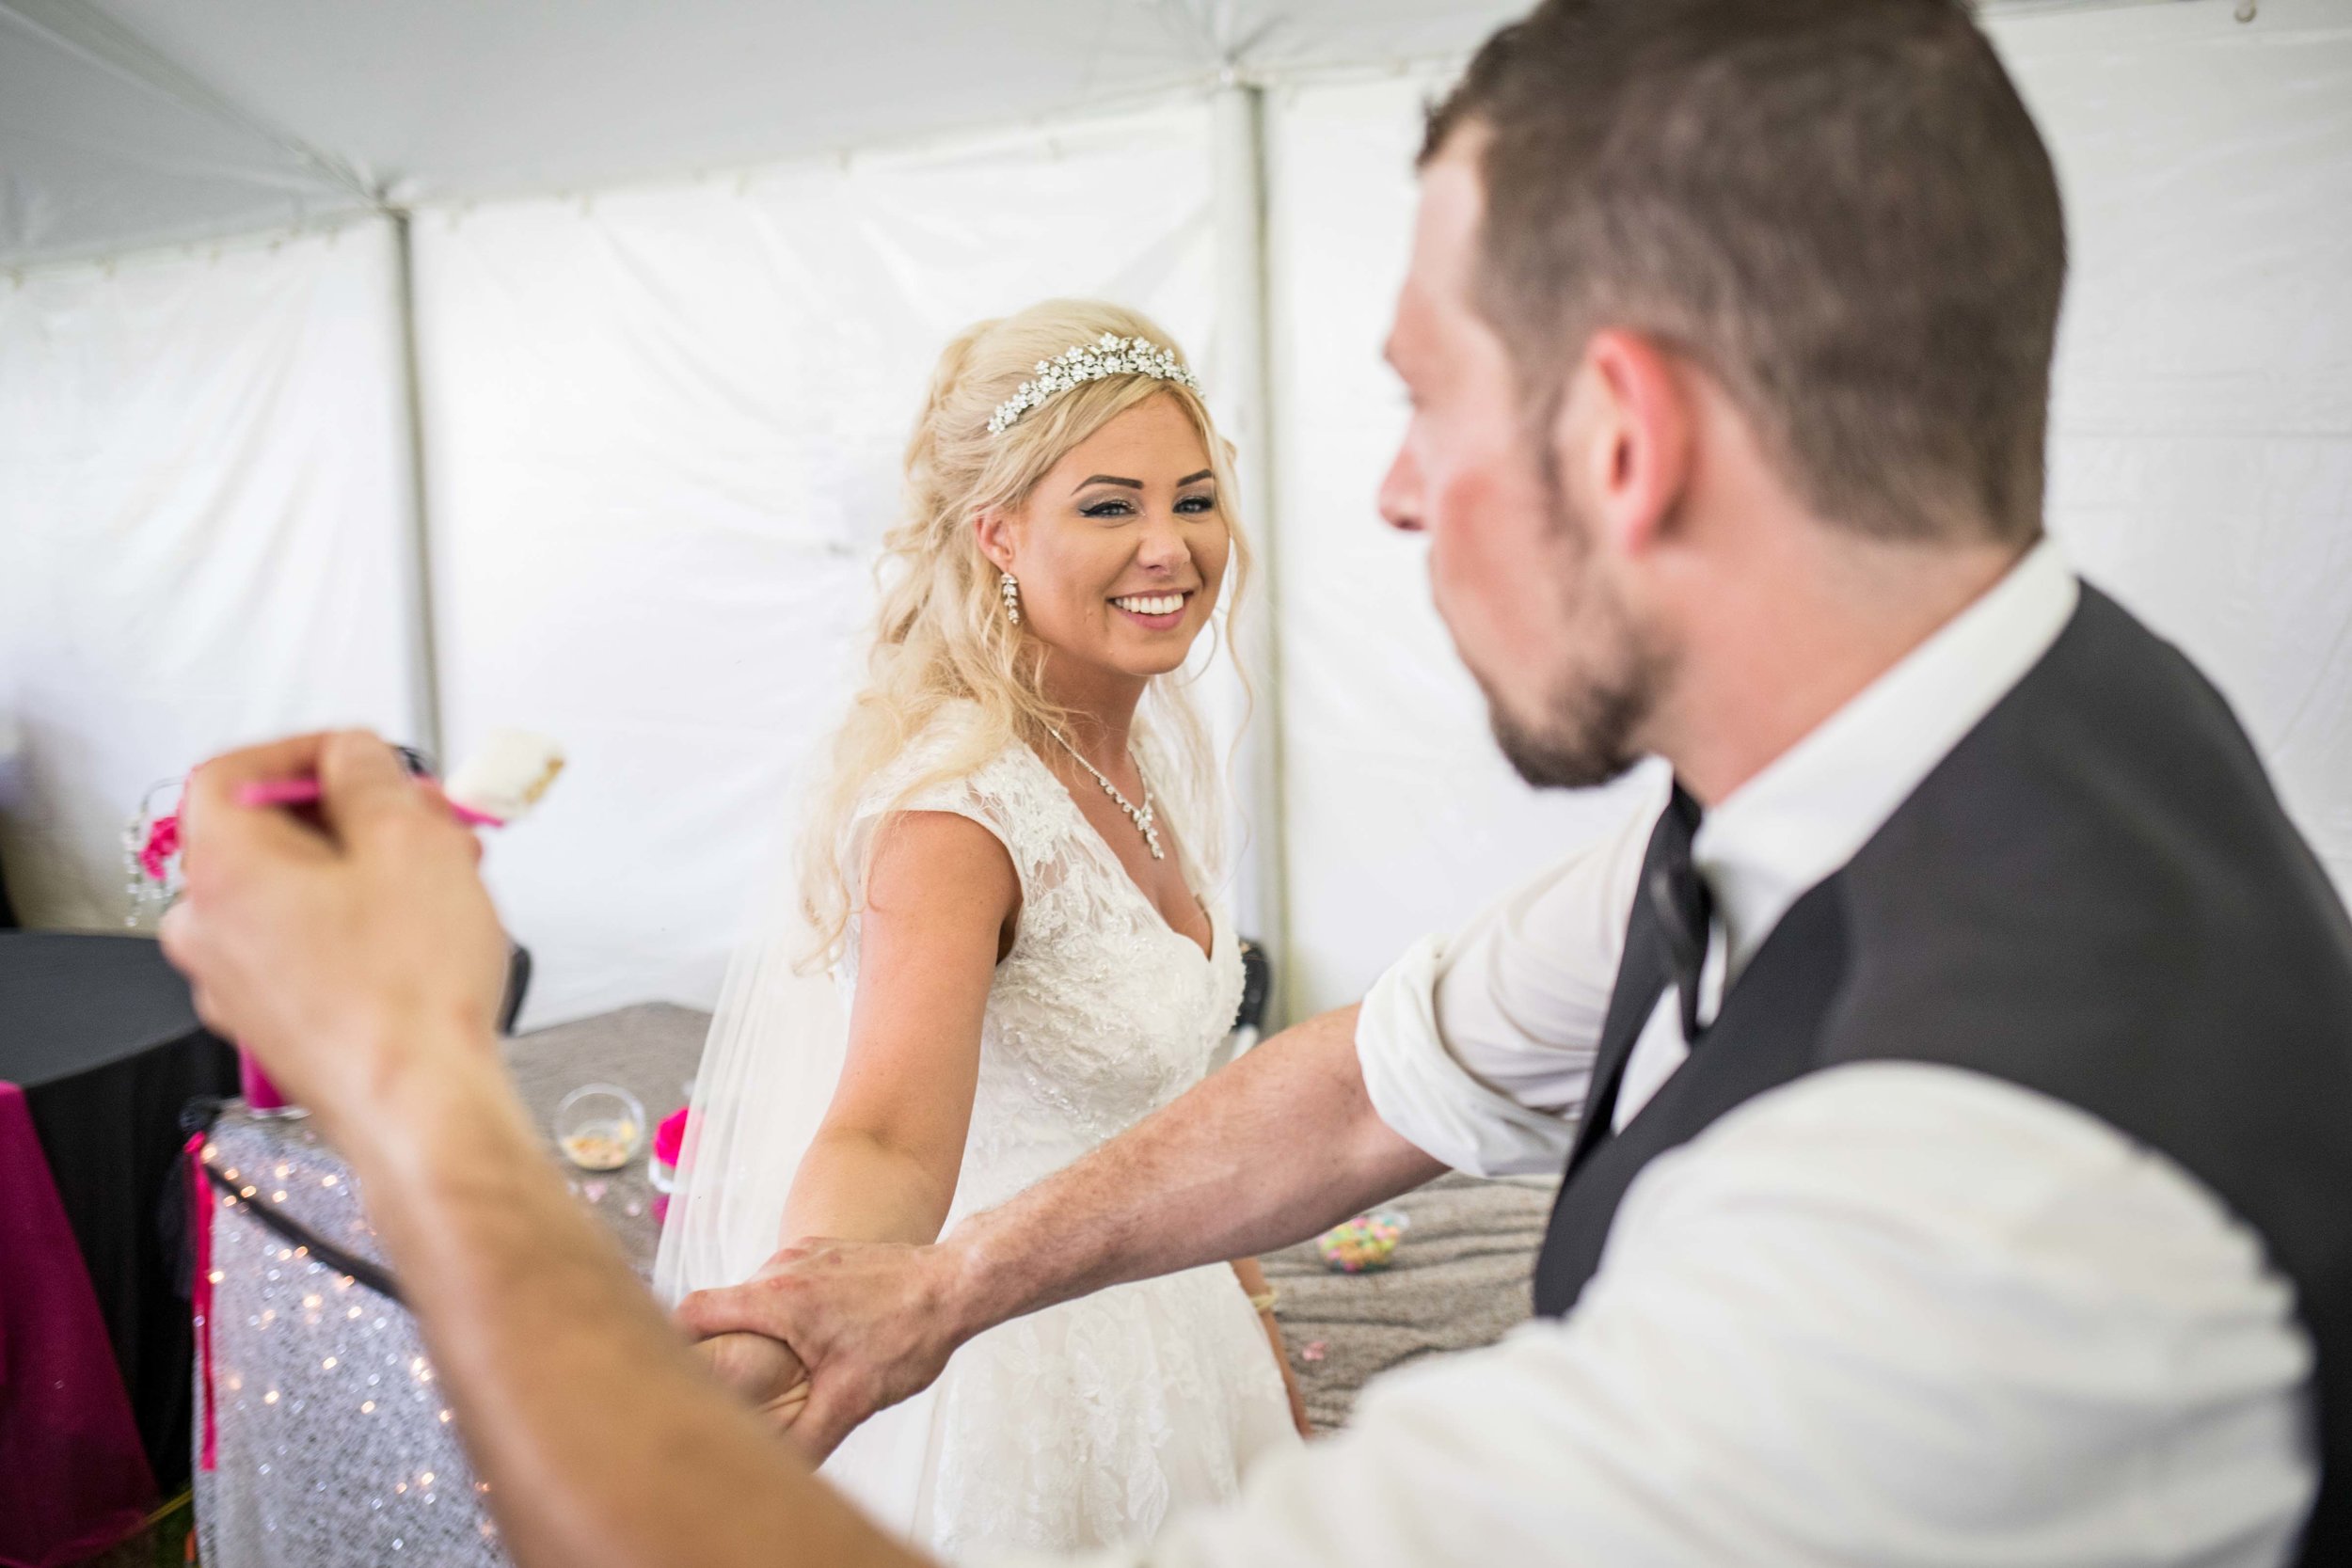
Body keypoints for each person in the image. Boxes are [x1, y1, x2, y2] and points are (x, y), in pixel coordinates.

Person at [159, 2, 2349, 1565]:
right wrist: (933, 1291)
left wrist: (408, 1078)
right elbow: (1363, 1075)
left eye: (1417, 400)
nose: (1386, 498)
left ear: (1621, 435)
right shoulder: (1931, 757)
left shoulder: (1978, 1211)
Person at [653, 298, 1307, 1556]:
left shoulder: (1140, 755)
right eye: (1110, 506)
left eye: (1195, 498)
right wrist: (788, 1329)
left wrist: (1254, 1327)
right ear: (996, 533)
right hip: (1022, 1380)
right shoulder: (958, 817)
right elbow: (888, 1139)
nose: (1169, 546)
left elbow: (1169, 1116)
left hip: (1183, 1325)